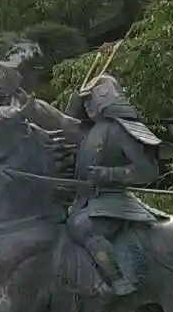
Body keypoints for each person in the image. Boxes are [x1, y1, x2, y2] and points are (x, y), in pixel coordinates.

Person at [61, 74, 164, 297]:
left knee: (83, 227)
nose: (87, 105)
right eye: (84, 101)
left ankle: (119, 280)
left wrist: (108, 174)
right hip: (84, 201)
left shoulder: (121, 130)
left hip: (113, 201)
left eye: (90, 99)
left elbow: (148, 171)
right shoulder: (88, 131)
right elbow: (61, 122)